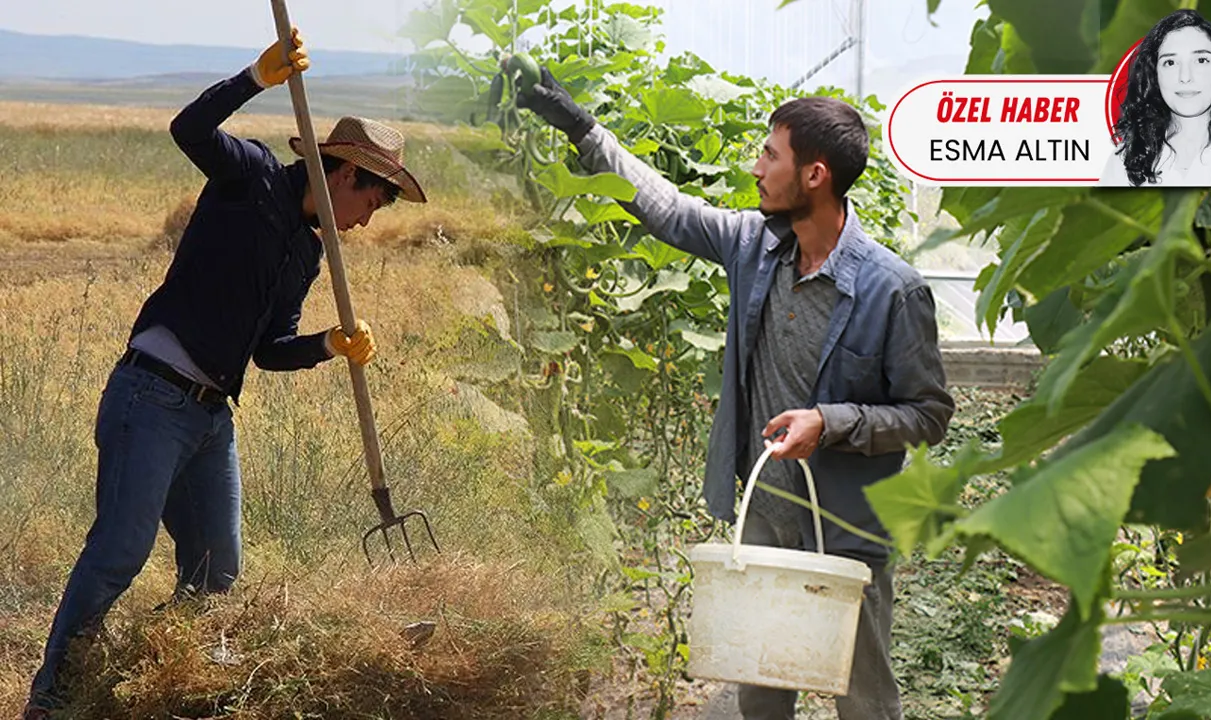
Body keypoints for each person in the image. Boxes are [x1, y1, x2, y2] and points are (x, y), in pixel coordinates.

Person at [518, 67, 954, 719]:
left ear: (815, 175)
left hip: (849, 528)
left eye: (770, 154)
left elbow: (929, 414)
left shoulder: (893, 290)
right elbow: (665, 207)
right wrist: (584, 130)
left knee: (862, 695)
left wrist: (829, 423)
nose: (757, 167)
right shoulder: (754, 246)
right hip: (767, 518)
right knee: (762, 685)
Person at [23, 28, 426, 718]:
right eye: (370, 203)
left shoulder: (307, 254)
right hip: (150, 393)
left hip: (210, 418)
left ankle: (156, 685)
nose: (366, 221)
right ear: (345, 175)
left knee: (216, 574)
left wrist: (329, 343)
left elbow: (269, 349)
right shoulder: (251, 176)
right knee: (120, 550)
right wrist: (254, 78)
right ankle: (51, 698)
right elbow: (188, 128)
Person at [1101, 8, 1211, 187]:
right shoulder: (1120, 165)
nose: (1185, 77)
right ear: (1154, 75)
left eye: (1201, 60)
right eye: (1170, 62)